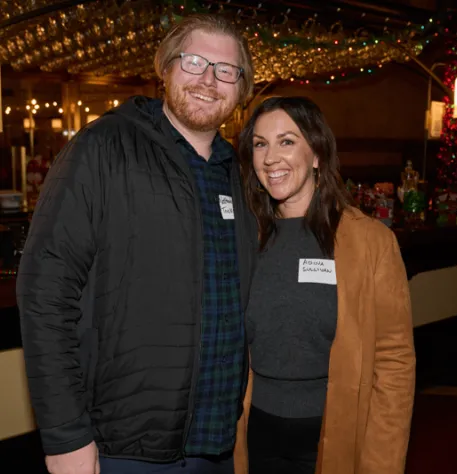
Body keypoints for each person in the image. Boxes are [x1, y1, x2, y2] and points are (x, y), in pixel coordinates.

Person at [17, 13, 256, 474]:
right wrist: (66, 434)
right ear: (164, 68)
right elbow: (45, 292)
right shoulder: (103, 147)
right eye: (193, 62)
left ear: (240, 88)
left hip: (219, 442)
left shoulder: (240, 174)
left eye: (226, 70)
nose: (209, 79)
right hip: (123, 447)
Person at [235, 96, 416, 474]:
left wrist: (381, 461)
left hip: (333, 433)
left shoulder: (370, 242)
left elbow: (394, 363)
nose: (271, 158)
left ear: (316, 153)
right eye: (260, 144)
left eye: (287, 141)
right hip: (252, 432)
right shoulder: (243, 236)